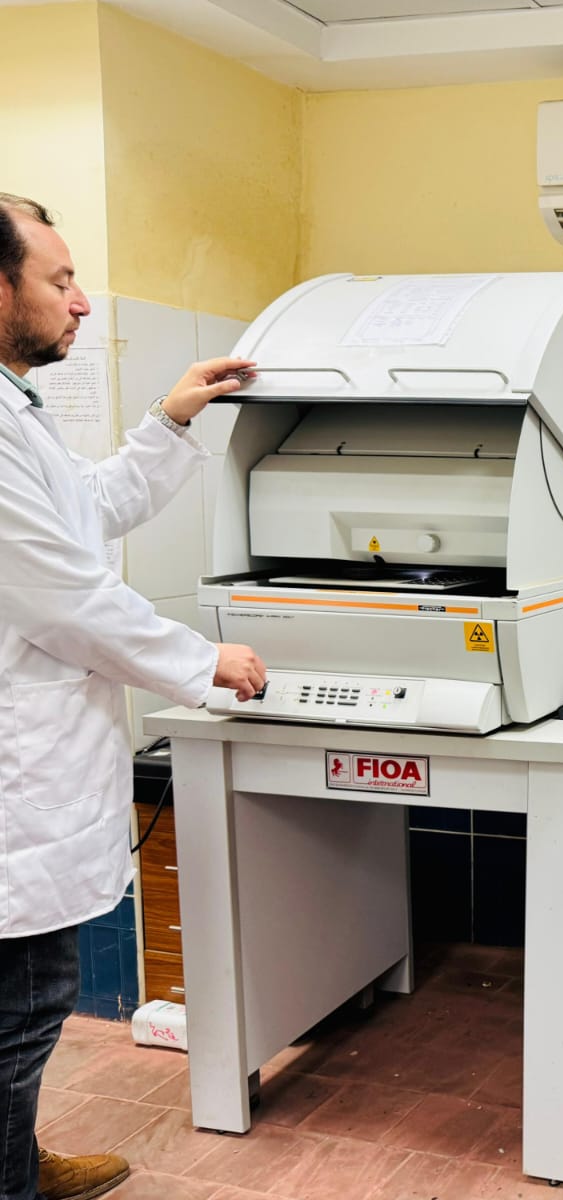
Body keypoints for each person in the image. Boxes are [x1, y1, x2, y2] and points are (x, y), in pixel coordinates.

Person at [0, 193, 267, 1200]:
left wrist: (170, 417)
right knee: (25, 1006)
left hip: (37, 766)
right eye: (60, 280)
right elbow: (66, 598)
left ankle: (17, 1159)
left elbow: (91, 507)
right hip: (15, 778)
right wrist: (202, 662)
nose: (80, 302)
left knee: (22, 1005)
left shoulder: (17, 413)